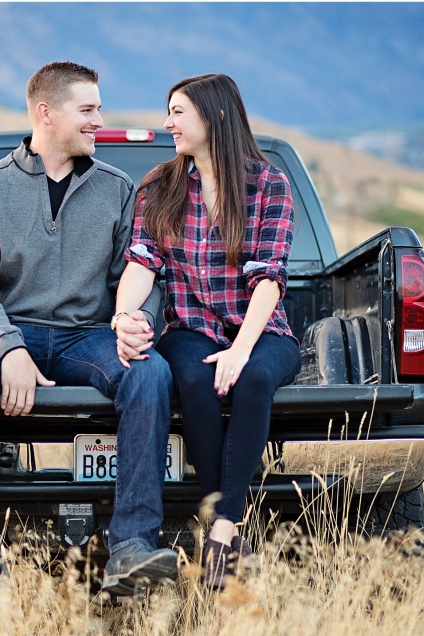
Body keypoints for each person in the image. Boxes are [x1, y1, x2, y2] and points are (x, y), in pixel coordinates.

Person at [0, 61, 177, 596]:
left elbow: (143, 273)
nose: (98, 121)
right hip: (7, 331)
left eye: (98, 110)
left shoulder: (118, 189)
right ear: (47, 113)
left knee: (150, 373)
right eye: (87, 110)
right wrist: (10, 347)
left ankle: (131, 547)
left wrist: (137, 323)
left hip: (89, 336)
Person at [113, 73, 302, 590]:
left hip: (262, 327)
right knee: (195, 380)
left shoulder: (268, 184)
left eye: (178, 112)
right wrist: (124, 315)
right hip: (190, 323)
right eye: (168, 110)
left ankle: (222, 526)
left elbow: (270, 278)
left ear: (215, 116)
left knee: (256, 380)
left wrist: (242, 351)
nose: (167, 122)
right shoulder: (160, 186)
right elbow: (141, 263)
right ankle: (228, 534)